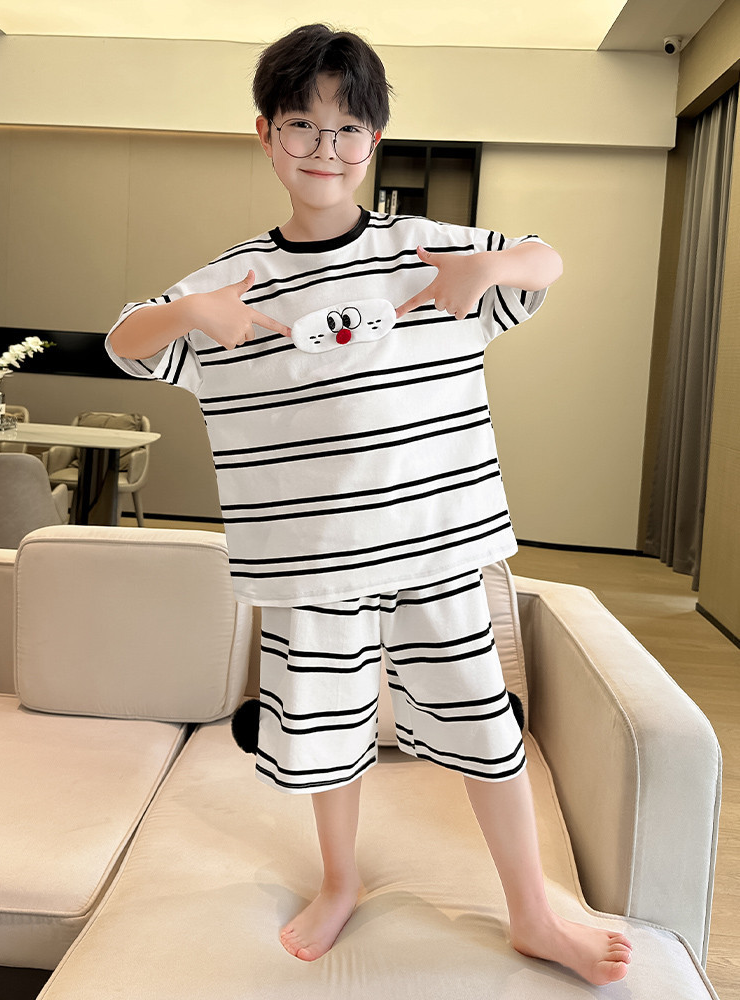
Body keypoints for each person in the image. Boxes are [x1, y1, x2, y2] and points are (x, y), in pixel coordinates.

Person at [106, 23, 632, 987]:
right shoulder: (233, 279)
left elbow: (547, 258)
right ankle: (340, 880)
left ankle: (530, 910)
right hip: (311, 561)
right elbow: (124, 342)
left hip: (434, 543)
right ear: (265, 134)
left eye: (348, 128)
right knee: (328, 729)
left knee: (483, 722)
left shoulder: (423, 247)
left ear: (375, 141)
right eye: (301, 125)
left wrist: (489, 269)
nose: (325, 147)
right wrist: (188, 313)